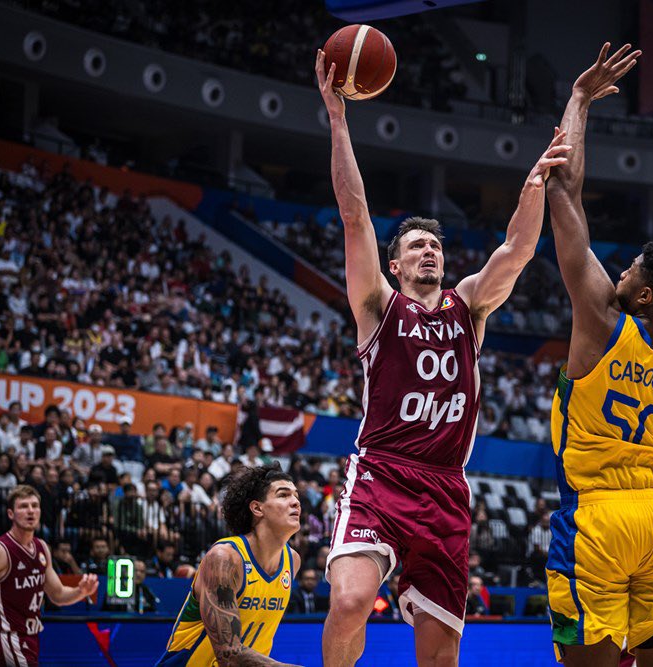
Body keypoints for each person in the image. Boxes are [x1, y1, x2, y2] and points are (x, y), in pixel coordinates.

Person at [314, 45, 571, 667]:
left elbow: (516, 249)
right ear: (396, 264)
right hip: (382, 472)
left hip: (447, 489)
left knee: (440, 654)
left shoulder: (469, 307)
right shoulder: (377, 304)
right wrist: (339, 121)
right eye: (416, 247)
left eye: (436, 244)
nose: (430, 252)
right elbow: (354, 216)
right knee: (349, 601)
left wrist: (534, 182)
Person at [542, 43, 653, 666]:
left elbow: (563, 189)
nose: (619, 266)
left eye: (631, 266)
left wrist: (580, 99)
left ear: (642, 292)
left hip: (596, 519)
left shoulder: (600, 319)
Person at [155, 464, 302, 666]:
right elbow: (228, 655)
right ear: (257, 508)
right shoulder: (225, 558)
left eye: (296, 496)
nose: (295, 502)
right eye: (283, 495)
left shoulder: (292, 561)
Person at [0, 485, 98, 667]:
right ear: (10, 514)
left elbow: (58, 595)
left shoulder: (42, 548)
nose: (30, 511)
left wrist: (81, 591)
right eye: (23, 506)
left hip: (31, 639)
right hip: (9, 639)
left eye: (34, 505)